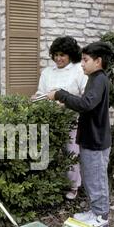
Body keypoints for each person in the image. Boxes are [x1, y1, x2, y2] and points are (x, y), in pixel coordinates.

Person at [46, 41, 113, 227]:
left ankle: (101, 218)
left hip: (96, 141)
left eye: (85, 60)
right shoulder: (94, 78)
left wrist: (61, 94)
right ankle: (95, 212)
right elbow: (86, 103)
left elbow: (86, 104)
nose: (81, 64)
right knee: (91, 177)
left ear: (98, 61)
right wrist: (66, 102)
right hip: (91, 138)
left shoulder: (99, 79)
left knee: (96, 178)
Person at [32, 36, 87, 200]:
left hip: (72, 120)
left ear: (70, 55)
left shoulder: (79, 70)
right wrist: (36, 98)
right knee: (52, 153)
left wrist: (66, 104)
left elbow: (84, 97)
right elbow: (41, 93)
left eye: (62, 55)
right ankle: (54, 184)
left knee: (71, 152)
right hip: (50, 119)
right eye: (55, 54)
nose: (58, 58)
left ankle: (73, 186)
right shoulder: (48, 72)